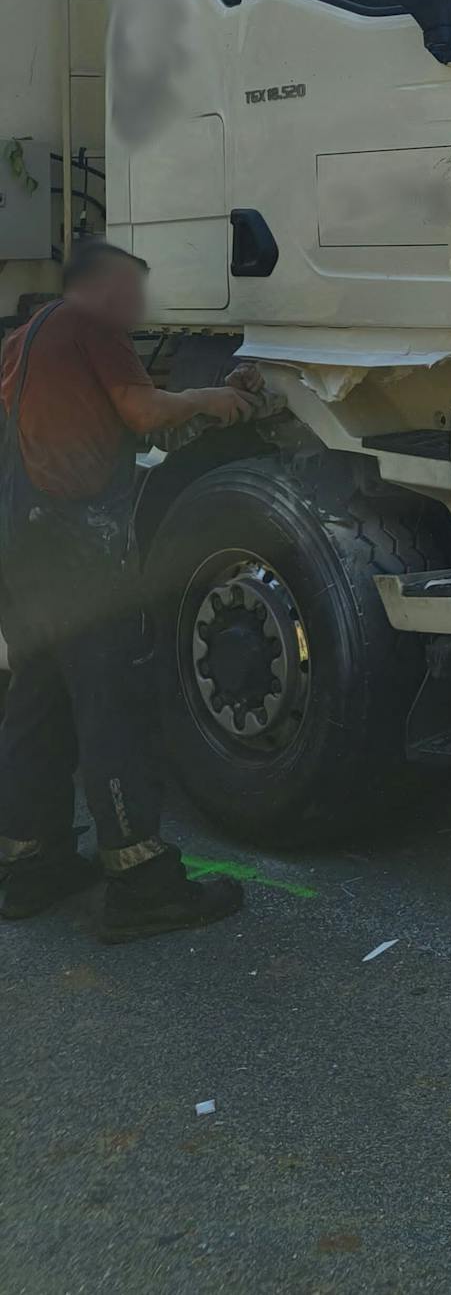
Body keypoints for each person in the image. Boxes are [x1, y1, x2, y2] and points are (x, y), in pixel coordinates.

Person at [0, 240, 258, 941]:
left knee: (36, 699)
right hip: (79, 552)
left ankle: (30, 863)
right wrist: (215, 398)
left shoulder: (27, 337)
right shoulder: (92, 325)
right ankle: (141, 883)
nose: (142, 307)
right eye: (135, 291)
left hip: (22, 551)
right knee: (111, 702)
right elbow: (141, 412)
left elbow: (95, 422)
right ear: (102, 287)